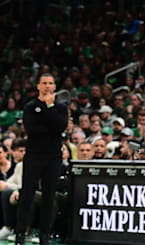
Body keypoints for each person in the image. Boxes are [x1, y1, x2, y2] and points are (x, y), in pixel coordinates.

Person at [16, 74, 68, 245]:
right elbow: (32, 129)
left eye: (51, 83)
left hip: (53, 157)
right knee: (27, 195)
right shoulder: (30, 106)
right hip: (34, 156)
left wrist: (49, 106)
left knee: (49, 196)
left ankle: (45, 235)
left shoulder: (60, 107)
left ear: (54, 86)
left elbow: (60, 127)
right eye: (44, 83)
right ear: (38, 86)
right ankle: (20, 234)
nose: (47, 86)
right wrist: (50, 126)